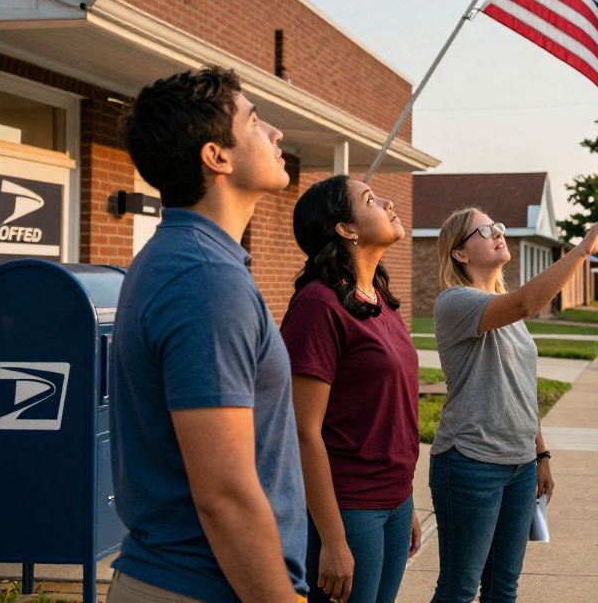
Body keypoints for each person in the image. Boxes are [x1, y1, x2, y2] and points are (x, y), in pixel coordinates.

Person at [109, 66, 306, 601]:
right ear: (216, 156)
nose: (275, 134)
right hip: (205, 586)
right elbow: (224, 492)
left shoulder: (186, 258)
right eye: (256, 120)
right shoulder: (204, 279)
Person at [429, 204, 598, 603]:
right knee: (459, 589)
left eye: (497, 225)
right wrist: (582, 251)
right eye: (484, 231)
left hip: (518, 466)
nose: (498, 233)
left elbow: (521, 389)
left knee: (503, 588)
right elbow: (528, 303)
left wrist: (541, 455)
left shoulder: (506, 305)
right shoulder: (456, 302)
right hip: (470, 462)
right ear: (459, 254)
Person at [281, 175, 421, 603]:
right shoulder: (318, 306)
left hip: (394, 501)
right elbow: (303, 431)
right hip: (349, 507)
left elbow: (389, 413)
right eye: (370, 199)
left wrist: (407, 501)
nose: (387, 201)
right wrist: (333, 539)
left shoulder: (379, 297)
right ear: (346, 229)